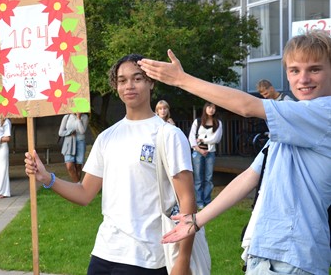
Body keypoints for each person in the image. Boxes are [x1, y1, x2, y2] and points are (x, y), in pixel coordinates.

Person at [138, 30, 331, 275]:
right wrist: (197, 220)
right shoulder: (294, 124)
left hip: (292, 258)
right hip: (266, 253)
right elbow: (248, 178)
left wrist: (181, 80)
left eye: (314, 69)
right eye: (294, 70)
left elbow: (247, 107)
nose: (303, 79)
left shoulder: (324, 113)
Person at [25, 54, 198, 274]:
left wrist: (183, 259)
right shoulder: (107, 137)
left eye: (137, 78)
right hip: (104, 253)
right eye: (122, 80)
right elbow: (84, 193)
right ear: (116, 85)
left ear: (151, 82)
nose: (129, 86)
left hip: (147, 258)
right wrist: (47, 178)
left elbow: (187, 200)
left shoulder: (168, 135)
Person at [188, 102, 223, 209]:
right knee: (198, 178)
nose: (211, 109)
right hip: (197, 153)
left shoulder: (218, 123)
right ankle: (199, 202)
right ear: (205, 108)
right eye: (209, 107)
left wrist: (203, 139)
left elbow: (216, 139)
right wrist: (198, 149)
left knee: (209, 178)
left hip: (210, 153)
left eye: (213, 107)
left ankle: (207, 201)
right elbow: (191, 137)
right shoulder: (197, 122)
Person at [58, 112, 89, 183]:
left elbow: (82, 131)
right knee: (69, 165)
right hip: (69, 143)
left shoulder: (85, 117)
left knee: (78, 165)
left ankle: (77, 187)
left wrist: (78, 118)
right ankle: (78, 185)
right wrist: (70, 132)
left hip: (80, 142)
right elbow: (60, 132)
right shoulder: (67, 117)